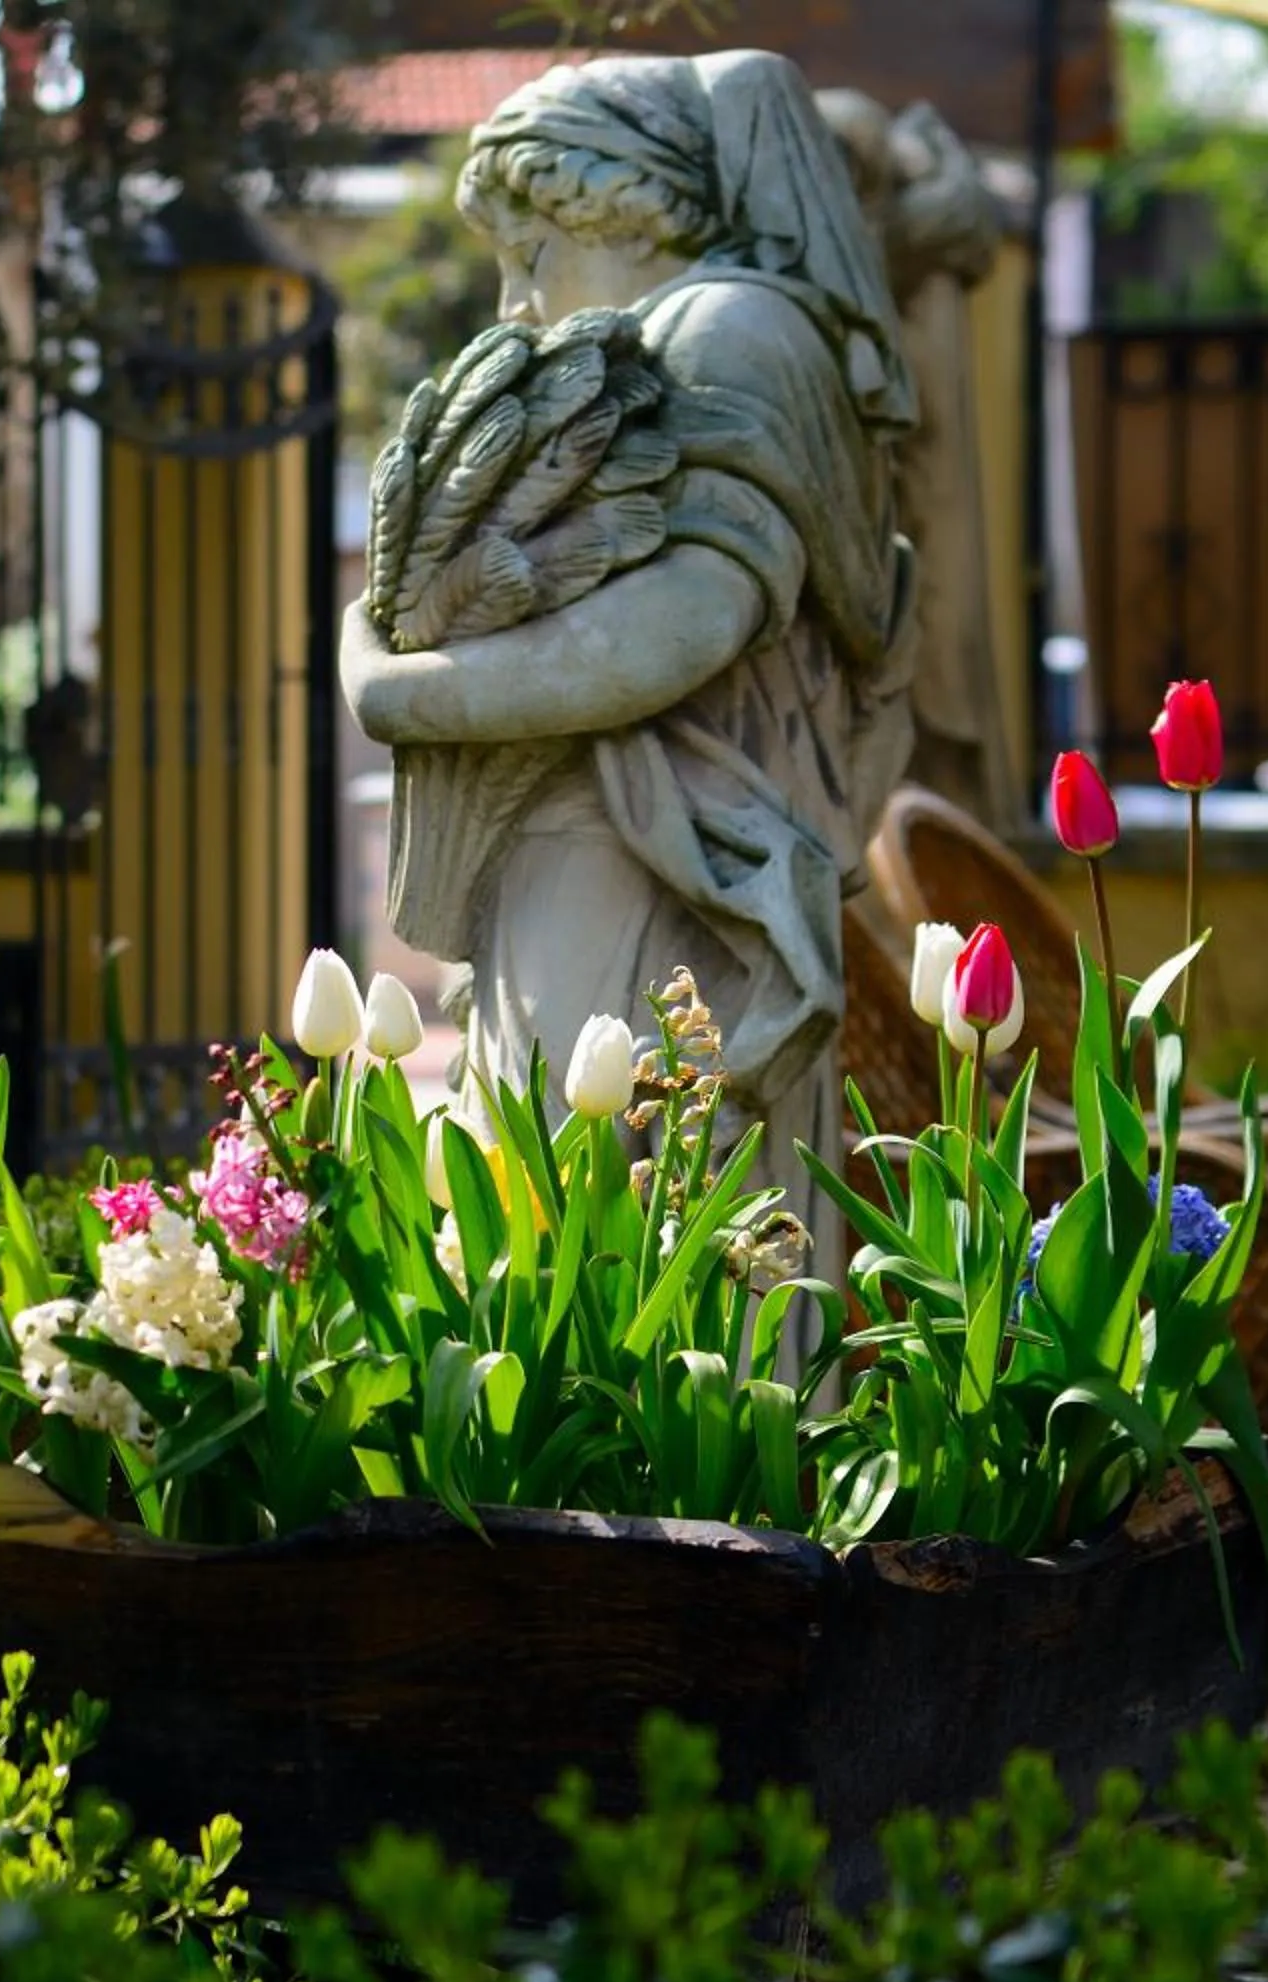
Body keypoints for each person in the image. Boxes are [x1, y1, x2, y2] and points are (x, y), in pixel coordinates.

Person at [340, 49, 916, 1291]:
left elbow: (687, 621)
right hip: (613, 831)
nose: (513, 302)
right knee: (548, 1202)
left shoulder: (729, 328)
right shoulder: (681, 325)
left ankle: (670, 1478)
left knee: (614, 1213)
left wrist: (403, 687)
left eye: (531, 254)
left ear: (625, 209)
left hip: (663, 849)